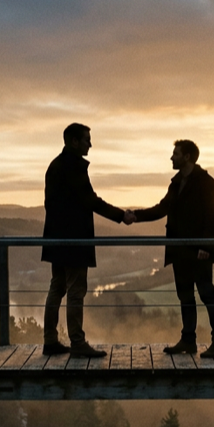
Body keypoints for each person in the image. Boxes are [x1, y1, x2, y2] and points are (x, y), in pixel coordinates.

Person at [129, 139, 214, 358]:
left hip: (198, 251)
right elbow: (162, 208)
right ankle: (188, 340)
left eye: (175, 154)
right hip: (179, 250)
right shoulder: (176, 183)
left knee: (207, 294)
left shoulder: (205, 182)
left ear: (187, 157)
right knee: (185, 296)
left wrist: (205, 246)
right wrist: (135, 215)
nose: (171, 157)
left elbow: (213, 216)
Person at [41, 123, 127, 358]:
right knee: (76, 289)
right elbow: (91, 201)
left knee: (57, 287)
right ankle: (77, 343)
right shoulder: (74, 167)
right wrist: (121, 215)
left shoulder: (55, 166)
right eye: (87, 139)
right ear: (73, 141)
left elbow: (51, 204)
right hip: (74, 239)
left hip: (55, 237)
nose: (91, 143)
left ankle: (50, 341)